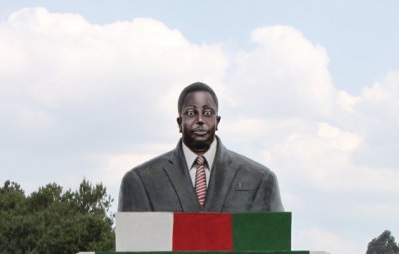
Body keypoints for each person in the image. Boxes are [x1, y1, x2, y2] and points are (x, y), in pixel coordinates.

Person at [117, 82, 283, 213]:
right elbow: (132, 251)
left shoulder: (260, 180)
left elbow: (274, 248)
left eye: (208, 113)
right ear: (179, 122)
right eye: (191, 113)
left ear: (217, 122)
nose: (200, 119)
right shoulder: (140, 181)